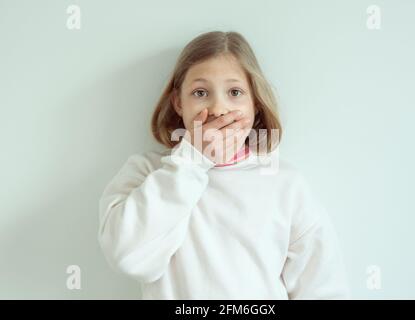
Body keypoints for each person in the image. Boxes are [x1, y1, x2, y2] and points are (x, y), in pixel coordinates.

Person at [98, 30, 351, 299]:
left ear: (255, 103)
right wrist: (192, 159)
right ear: (178, 103)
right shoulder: (146, 172)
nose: (218, 109)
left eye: (234, 92)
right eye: (200, 92)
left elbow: (322, 286)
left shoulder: (284, 183)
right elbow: (129, 257)